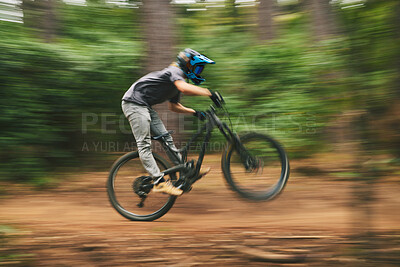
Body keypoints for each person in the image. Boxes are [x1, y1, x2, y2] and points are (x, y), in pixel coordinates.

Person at [121, 48, 220, 196]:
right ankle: (159, 182)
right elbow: (183, 88)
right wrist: (209, 93)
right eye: (197, 67)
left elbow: (173, 106)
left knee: (166, 138)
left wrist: (195, 112)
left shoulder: (177, 80)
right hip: (133, 104)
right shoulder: (175, 71)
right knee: (144, 144)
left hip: (144, 106)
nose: (198, 72)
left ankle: (186, 169)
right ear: (187, 64)